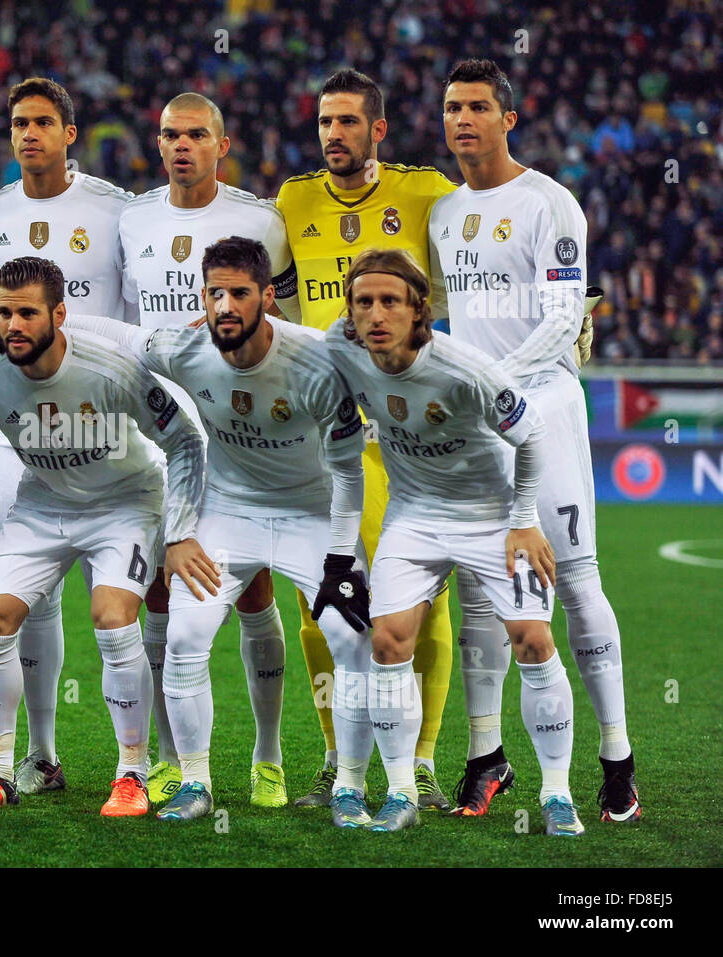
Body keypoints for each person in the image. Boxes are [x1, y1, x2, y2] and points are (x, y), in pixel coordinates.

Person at [62, 237, 372, 821]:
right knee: (183, 638)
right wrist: (49, 318)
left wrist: (338, 561)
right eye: (214, 293)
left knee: (354, 640)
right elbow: (119, 333)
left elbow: (351, 475)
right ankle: (195, 784)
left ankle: (351, 786)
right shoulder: (186, 348)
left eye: (239, 293)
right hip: (228, 513)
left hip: (313, 514)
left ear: (265, 298)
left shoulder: (316, 362)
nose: (225, 306)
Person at [430, 58, 639, 822]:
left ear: (507, 118)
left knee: (576, 577)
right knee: (482, 590)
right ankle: (488, 756)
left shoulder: (551, 203)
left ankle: (617, 759)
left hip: (543, 407)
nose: (463, 120)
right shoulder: (444, 214)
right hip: (478, 419)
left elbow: (561, 318)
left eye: (479, 107)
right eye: (453, 107)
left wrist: (491, 381)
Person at [0, 256, 205, 816]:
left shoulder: (110, 369)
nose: (13, 326)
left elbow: (185, 442)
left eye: (27, 313)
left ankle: (132, 775)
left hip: (123, 502)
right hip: (43, 502)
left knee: (111, 615)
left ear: (59, 313)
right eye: (4, 313)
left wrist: (178, 532)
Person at [324, 247, 583, 836]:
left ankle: (557, 793)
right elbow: (283, 341)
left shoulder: (466, 369)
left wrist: (523, 518)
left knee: (534, 643)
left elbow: (533, 436)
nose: (376, 314)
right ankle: (398, 792)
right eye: (364, 302)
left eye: (390, 301)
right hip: (414, 517)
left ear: (420, 310)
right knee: (387, 641)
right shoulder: (340, 348)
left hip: (493, 517)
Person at [274, 68, 461, 810]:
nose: (332, 135)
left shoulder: (427, 193)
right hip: (324, 432)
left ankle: (417, 759)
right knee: (321, 601)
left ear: (377, 129)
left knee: (422, 595)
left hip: (409, 430)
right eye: (324, 122)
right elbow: (276, 299)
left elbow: (473, 277)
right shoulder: (292, 201)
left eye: (348, 122)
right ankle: (335, 753)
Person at [117, 93, 302, 808]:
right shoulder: (133, 219)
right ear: (156, 143)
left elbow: (283, 316)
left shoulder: (259, 220)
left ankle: (269, 754)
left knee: (253, 586)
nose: (181, 146)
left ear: (222, 144)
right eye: (169, 135)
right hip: (156, 432)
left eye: (196, 134)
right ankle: (170, 753)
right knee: (161, 589)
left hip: (238, 431)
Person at [0, 77, 135, 796]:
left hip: (110, 423)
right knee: (26, 595)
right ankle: (38, 751)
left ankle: (142, 761)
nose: (28, 134)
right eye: (18, 124)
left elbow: (132, 312)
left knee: (124, 603)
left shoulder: (116, 209)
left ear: (71, 133)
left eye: (42, 122)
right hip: (24, 437)